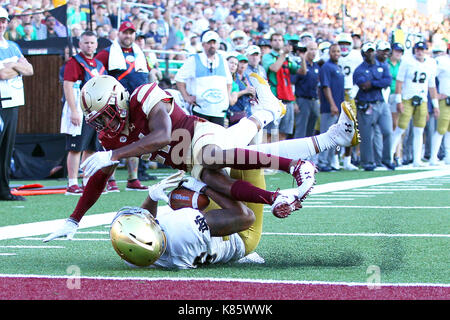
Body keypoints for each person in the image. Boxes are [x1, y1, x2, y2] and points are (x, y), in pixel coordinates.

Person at [42, 73, 359, 242]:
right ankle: (279, 182)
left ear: (119, 99)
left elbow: (163, 136)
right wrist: (74, 219)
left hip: (198, 136)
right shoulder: (111, 134)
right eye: (97, 120)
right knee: (213, 172)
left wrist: (112, 154)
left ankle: (297, 161)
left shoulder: (142, 95)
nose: (103, 124)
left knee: (214, 155)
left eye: (105, 115)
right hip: (191, 161)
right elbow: (99, 179)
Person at [110, 169, 264, 269]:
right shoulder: (183, 226)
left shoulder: (136, 257)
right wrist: (203, 188)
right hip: (241, 237)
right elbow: (245, 216)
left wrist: (152, 197)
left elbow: (143, 234)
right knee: (241, 163)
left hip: (197, 241)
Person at [95, 20, 155, 189]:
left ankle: (133, 179)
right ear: (118, 34)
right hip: (113, 106)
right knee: (111, 141)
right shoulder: (106, 53)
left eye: (131, 33)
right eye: (125, 32)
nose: (128, 36)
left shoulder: (140, 53)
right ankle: (110, 179)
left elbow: (148, 74)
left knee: (135, 141)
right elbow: (96, 75)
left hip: (136, 104)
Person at [61, 31, 106, 195]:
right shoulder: (75, 62)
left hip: (95, 111)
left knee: (91, 148)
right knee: (76, 147)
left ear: (96, 44)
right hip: (79, 108)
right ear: (80, 44)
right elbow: (68, 86)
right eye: (86, 43)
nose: (89, 46)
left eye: (92, 43)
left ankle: (87, 180)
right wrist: (73, 111)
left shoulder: (99, 65)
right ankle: (72, 183)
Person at [0, 7, 34, 201]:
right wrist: (16, 66)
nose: (1, 24)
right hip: (0, 102)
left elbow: (29, 69)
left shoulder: (13, 45)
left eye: (4, 21)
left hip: (13, 102)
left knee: (6, 149)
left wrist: (11, 65)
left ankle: (3, 190)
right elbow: (2, 74)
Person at [390, 41, 440, 167]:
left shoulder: (430, 63)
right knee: (400, 128)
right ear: (414, 50)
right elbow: (399, 82)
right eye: (418, 49)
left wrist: (435, 105)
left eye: (422, 49)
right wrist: (399, 100)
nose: (420, 52)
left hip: (422, 99)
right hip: (407, 98)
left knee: (419, 130)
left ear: (426, 51)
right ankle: (389, 156)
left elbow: (432, 86)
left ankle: (417, 159)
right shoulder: (407, 61)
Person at [175, 30, 232, 127]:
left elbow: (229, 82)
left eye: (214, 43)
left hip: (218, 112)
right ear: (203, 44)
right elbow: (179, 78)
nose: (212, 45)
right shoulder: (194, 60)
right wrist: (186, 97)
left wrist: (225, 99)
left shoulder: (222, 60)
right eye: (209, 43)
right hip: (201, 110)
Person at [353, 41, 393, 171]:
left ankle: (386, 159)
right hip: (367, 103)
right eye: (368, 51)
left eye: (372, 51)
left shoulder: (382, 66)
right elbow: (363, 85)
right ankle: (367, 161)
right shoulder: (359, 69)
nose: (371, 53)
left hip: (380, 102)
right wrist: (377, 83)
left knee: (387, 131)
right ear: (364, 53)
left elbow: (387, 81)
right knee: (366, 134)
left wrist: (373, 83)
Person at [262, 33, 301, 141]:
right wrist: (283, 54)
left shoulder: (288, 58)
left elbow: (300, 71)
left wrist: (303, 56)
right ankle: (266, 156)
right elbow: (274, 68)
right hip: (274, 98)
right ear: (271, 42)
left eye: (280, 39)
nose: (277, 42)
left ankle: (278, 157)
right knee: (270, 133)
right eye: (275, 40)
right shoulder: (267, 56)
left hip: (287, 99)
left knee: (284, 132)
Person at [317, 43, 345, 172]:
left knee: (334, 136)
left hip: (338, 106)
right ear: (329, 52)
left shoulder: (338, 67)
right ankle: (322, 161)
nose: (336, 54)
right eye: (334, 51)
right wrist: (333, 104)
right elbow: (326, 87)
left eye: (338, 51)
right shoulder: (326, 67)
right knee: (326, 135)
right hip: (329, 107)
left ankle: (329, 161)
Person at [337, 33, 362, 171]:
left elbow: (362, 73)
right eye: (341, 44)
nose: (343, 47)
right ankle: (334, 159)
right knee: (335, 126)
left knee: (351, 126)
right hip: (337, 92)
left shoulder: (357, 56)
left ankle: (347, 159)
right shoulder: (332, 54)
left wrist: (356, 88)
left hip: (350, 93)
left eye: (346, 44)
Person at [292, 41, 320, 140]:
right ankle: (297, 154)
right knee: (301, 129)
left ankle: (308, 154)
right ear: (305, 51)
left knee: (311, 129)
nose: (313, 52)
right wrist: (294, 102)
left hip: (314, 100)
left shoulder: (317, 66)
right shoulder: (300, 65)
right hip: (302, 100)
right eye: (311, 49)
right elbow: (292, 84)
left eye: (315, 49)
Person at [429, 42, 450, 166]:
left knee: (449, 130)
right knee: (441, 129)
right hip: (445, 99)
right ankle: (433, 156)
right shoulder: (442, 61)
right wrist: (436, 95)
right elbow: (430, 77)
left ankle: (448, 156)